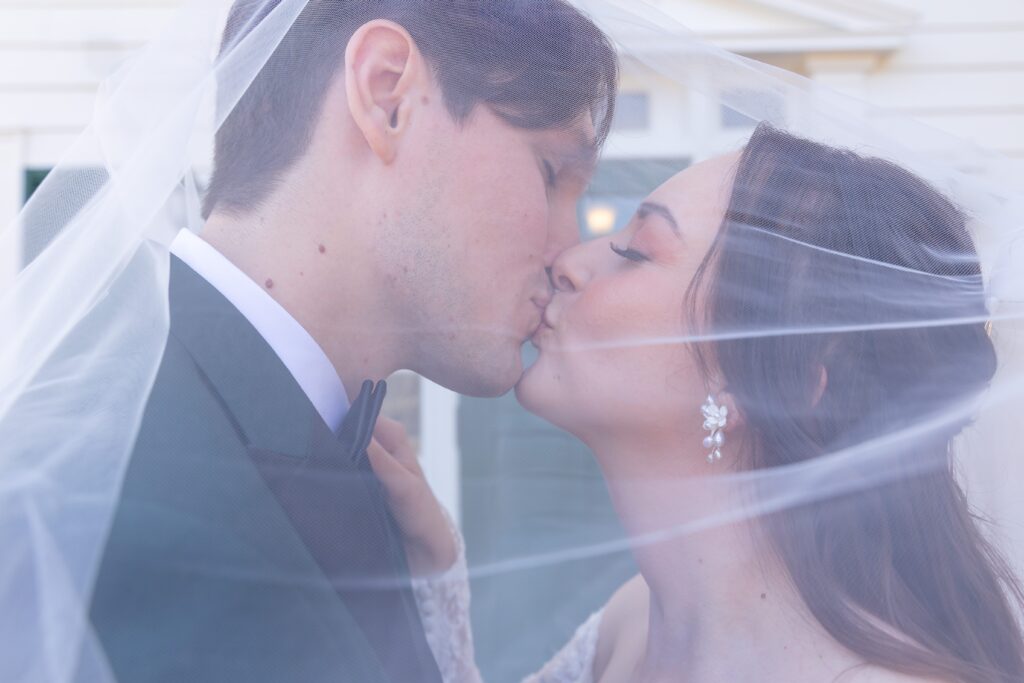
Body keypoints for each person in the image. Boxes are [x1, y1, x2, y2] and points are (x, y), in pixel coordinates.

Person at [72, 2, 617, 682]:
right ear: (388, 93)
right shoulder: (107, 486)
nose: (570, 250)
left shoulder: (360, 468)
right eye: (550, 172)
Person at [372, 124, 1024, 683]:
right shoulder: (630, 627)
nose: (569, 261)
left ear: (776, 384)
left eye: (634, 250)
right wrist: (434, 571)